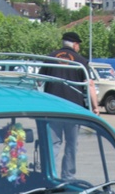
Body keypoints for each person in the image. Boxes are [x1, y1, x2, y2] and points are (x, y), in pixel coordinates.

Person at [41, 31, 100, 179]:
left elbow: (38, 81)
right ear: (75, 44)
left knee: (53, 143)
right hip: (73, 110)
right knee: (71, 144)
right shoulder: (80, 61)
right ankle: (68, 176)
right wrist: (95, 107)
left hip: (52, 108)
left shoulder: (50, 57)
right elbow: (90, 84)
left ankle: (51, 175)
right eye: (78, 44)